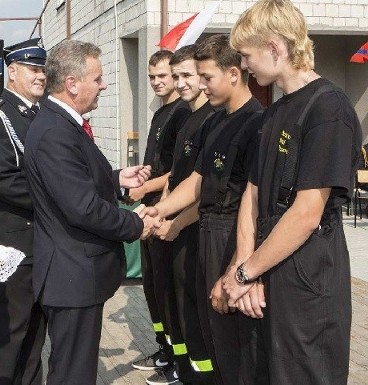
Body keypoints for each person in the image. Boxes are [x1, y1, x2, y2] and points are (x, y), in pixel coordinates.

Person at [221, 1, 362, 384]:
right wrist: (245, 269)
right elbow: (252, 194)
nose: (245, 66)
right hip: (267, 266)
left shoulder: (328, 109)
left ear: (275, 47)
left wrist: (246, 273)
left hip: (307, 274)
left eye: (247, 56)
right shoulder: (272, 115)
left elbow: (306, 213)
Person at [23, 39, 157, 385]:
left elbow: (72, 185)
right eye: (97, 78)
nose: (104, 85)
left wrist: (115, 180)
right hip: (71, 275)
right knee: (73, 374)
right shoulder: (55, 131)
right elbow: (81, 207)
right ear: (72, 83)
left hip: (74, 274)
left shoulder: (63, 124)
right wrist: (135, 223)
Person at [150, 34, 264, 385]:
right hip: (207, 234)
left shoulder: (256, 123)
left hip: (233, 236)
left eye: (206, 77)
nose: (200, 85)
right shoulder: (215, 121)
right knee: (208, 327)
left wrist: (241, 268)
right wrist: (157, 211)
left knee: (236, 339)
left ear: (233, 73)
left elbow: (254, 201)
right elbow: (197, 182)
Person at [0, 38, 48, 385]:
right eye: (33, 70)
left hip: (42, 243)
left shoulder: (42, 113)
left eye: (42, 70)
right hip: (11, 246)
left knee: (35, 337)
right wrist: (55, 203)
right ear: (13, 71)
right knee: (8, 341)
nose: (40, 76)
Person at [151, 43, 218, 385]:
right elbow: (177, 177)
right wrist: (160, 213)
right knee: (177, 305)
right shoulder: (188, 118)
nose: (180, 83)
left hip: (194, 231)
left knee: (196, 312)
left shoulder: (212, 121)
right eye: (175, 76)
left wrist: (174, 222)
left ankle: (202, 375)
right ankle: (184, 370)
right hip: (175, 227)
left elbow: (203, 187)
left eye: (187, 75)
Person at [128, 50, 191, 382]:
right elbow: (159, 163)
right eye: (152, 76)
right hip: (151, 209)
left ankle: (180, 361)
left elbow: (177, 174)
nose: (158, 82)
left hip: (169, 213)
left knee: (170, 290)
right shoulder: (160, 113)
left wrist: (143, 190)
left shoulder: (182, 113)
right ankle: (165, 349)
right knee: (153, 287)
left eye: (164, 76)